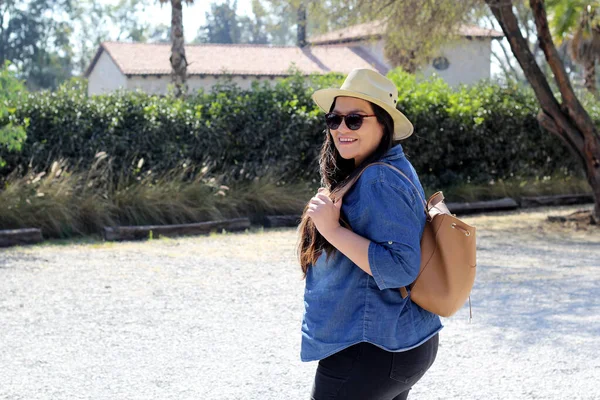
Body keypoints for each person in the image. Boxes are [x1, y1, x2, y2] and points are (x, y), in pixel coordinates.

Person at [296, 68, 443, 400]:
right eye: (334, 120)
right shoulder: (390, 167)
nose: (341, 129)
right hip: (399, 343)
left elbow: (400, 266)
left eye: (355, 119)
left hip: (369, 349)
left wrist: (330, 229)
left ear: (383, 123)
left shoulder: (378, 179)